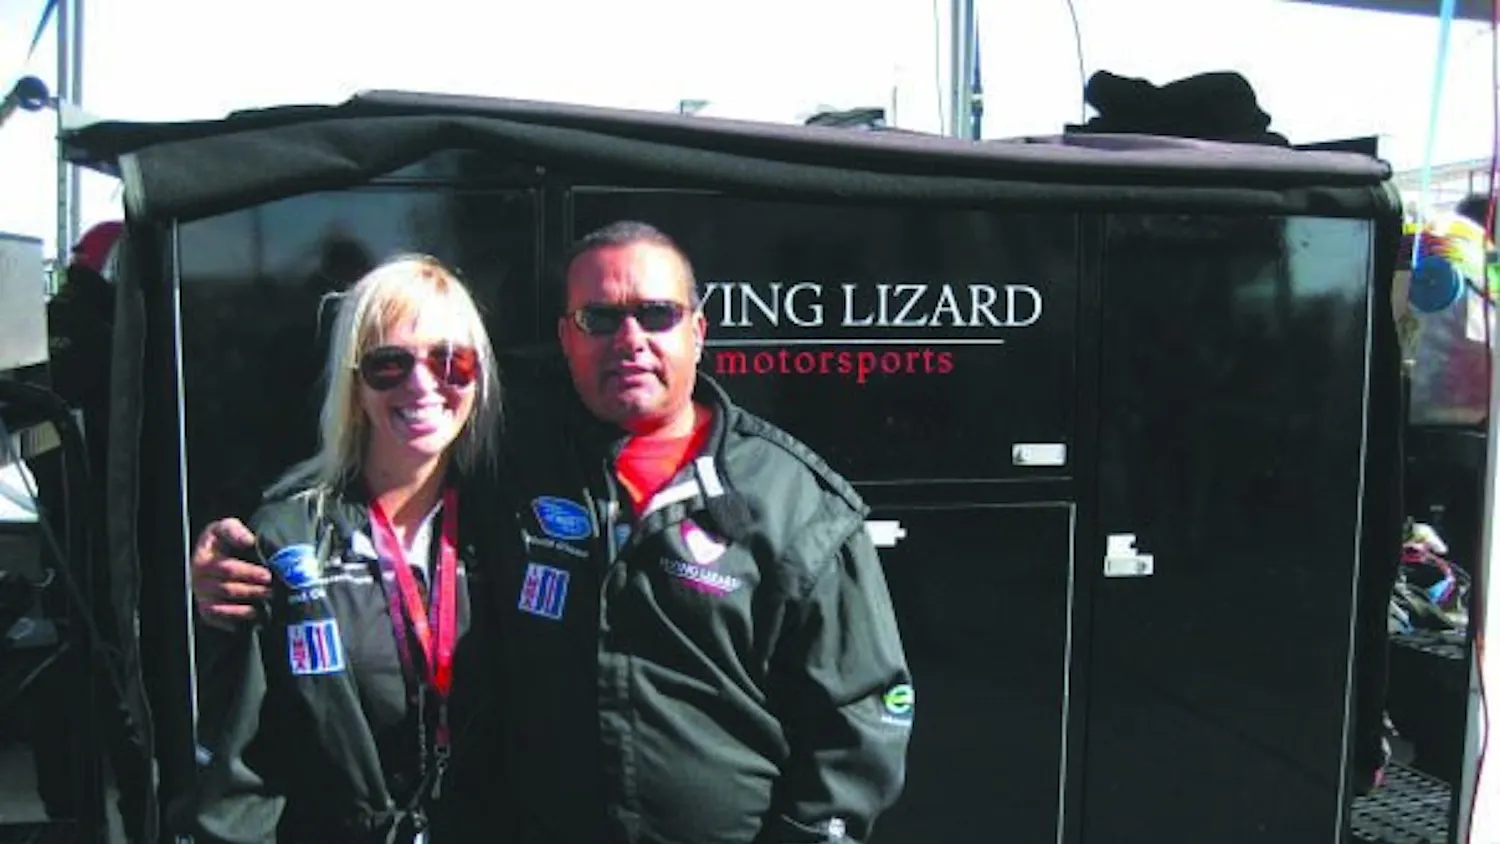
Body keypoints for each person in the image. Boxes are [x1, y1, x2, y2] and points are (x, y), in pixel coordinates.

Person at [192, 221, 914, 844]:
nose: (629, 339)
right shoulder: (524, 474)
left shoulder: (794, 502)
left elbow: (858, 724)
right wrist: (220, 565)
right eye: (599, 318)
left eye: (656, 314)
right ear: (565, 338)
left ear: (698, 329)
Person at [174, 254, 503, 844]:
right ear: (356, 385)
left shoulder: (513, 529)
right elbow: (243, 769)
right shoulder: (286, 538)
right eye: (388, 364)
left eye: (450, 361)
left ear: (478, 379)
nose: (423, 384)